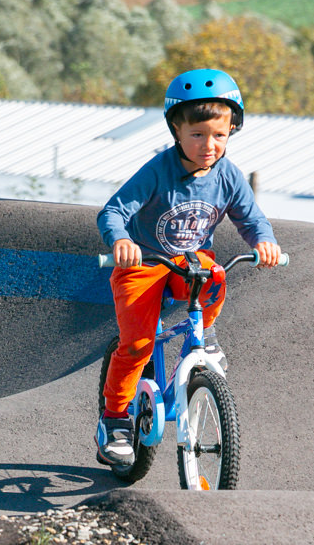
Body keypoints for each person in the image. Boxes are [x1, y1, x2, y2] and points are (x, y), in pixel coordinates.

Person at [95, 69, 282, 466]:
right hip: (143, 263)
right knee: (138, 345)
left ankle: (205, 333)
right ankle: (114, 421)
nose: (209, 145)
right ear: (176, 131)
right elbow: (113, 211)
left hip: (187, 263)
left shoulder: (229, 175)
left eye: (219, 134)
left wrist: (264, 242)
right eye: (197, 134)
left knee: (215, 273)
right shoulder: (158, 171)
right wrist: (122, 241)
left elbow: (252, 219)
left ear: (233, 129)